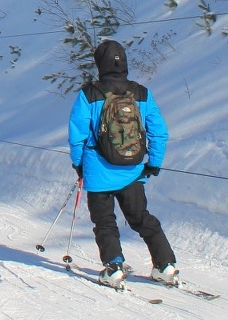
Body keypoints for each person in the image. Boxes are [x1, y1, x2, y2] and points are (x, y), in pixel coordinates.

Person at [68, 38, 178, 289]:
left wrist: (78, 164)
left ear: (99, 63)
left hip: (98, 171)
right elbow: (159, 132)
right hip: (133, 169)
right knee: (141, 218)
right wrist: (154, 163)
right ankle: (165, 265)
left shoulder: (90, 93)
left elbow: (78, 135)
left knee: (105, 222)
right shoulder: (141, 93)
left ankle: (114, 267)